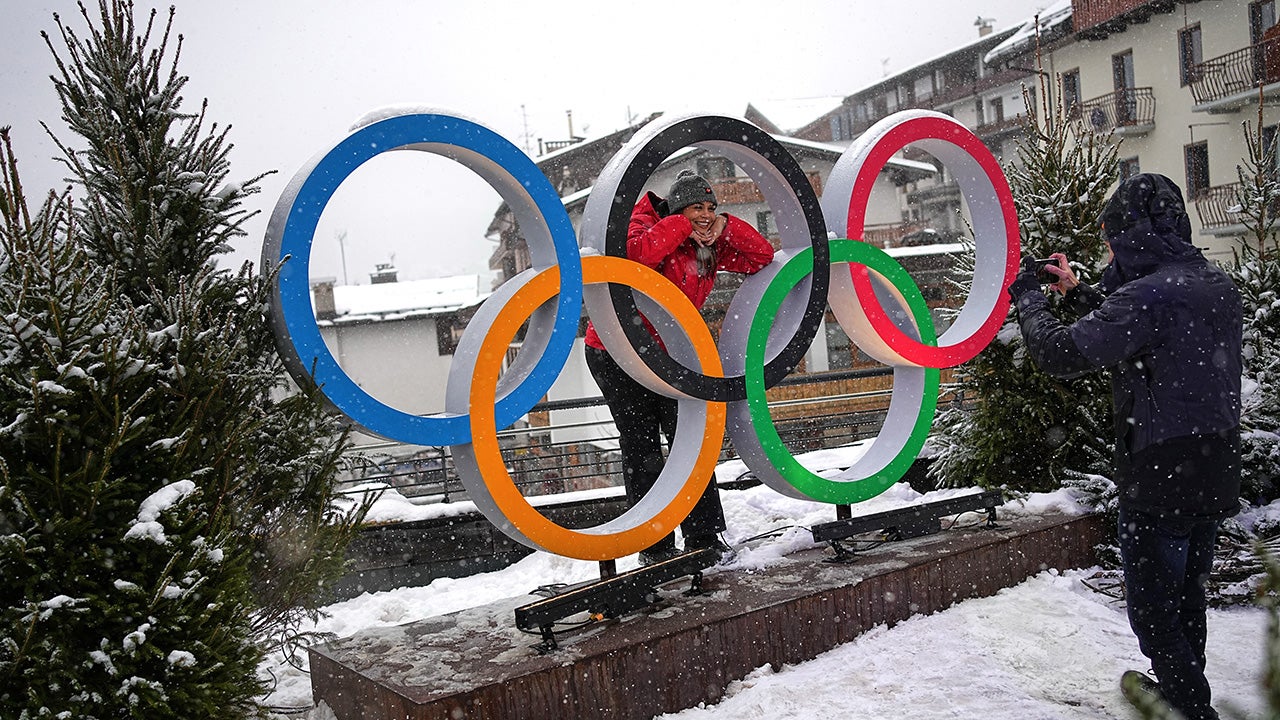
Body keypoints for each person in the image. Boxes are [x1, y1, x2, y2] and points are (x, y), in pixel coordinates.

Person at [1007, 173, 1242, 720]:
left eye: (1112, 239)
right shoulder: (1213, 282)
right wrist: (1079, 290)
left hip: (1162, 470)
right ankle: (1180, 691)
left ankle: (1190, 708)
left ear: (1133, 236)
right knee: (1187, 595)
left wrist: (1030, 301)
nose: (1109, 249)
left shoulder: (1146, 296)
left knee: (1156, 613)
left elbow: (1060, 355)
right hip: (1216, 462)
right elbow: (1155, 324)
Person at [584, 169, 775, 565]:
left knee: (691, 443)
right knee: (642, 447)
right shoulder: (645, 222)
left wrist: (723, 228)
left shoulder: (708, 245)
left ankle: (704, 537)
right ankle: (653, 546)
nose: (704, 215)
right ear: (676, 207)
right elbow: (635, 256)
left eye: (711, 208)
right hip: (618, 351)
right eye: (695, 207)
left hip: (676, 356)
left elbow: (762, 256)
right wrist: (680, 225)